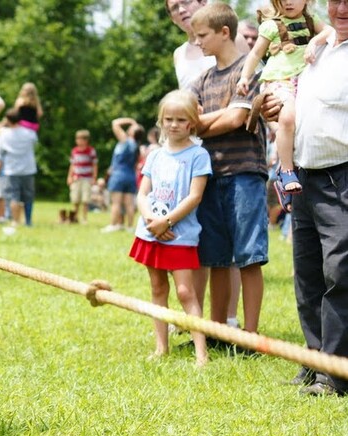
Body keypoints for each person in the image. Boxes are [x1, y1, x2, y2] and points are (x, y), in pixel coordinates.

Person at [190, 3, 269, 334]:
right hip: (212, 176)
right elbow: (186, 121)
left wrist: (202, 122)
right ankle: (218, 329)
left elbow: (239, 118)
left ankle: (250, 334)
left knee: (249, 256)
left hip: (245, 174)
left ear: (225, 33)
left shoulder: (249, 71)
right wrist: (213, 119)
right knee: (216, 258)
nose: (197, 42)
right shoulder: (202, 80)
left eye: (202, 35)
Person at [287, 0, 348, 396]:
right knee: (307, 273)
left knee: (341, 274)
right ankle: (314, 359)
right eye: (336, 0)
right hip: (304, 175)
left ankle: (336, 374)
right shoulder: (321, 47)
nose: (342, 8)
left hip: (342, 174)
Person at [129, 90, 211, 366]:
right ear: (160, 121)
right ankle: (161, 347)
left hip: (179, 234)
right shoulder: (154, 155)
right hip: (151, 231)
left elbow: (195, 196)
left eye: (180, 119)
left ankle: (201, 352)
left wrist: (168, 221)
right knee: (157, 288)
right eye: (168, 119)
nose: (173, 125)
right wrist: (152, 220)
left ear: (191, 122)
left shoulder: (198, 155)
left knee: (186, 292)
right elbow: (142, 193)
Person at [236, 0, 332, 195]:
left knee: (304, 126)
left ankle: (288, 178)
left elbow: (330, 32)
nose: (288, 2)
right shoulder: (272, 25)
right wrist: (244, 77)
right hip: (279, 79)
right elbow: (255, 54)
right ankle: (287, 170)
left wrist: (313, 41)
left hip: (304, 80)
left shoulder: (311, 20)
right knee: (287, 118)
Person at [166, 0, 251, 90]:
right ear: (172, 18)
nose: (181, 10)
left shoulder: (232, 39)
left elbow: (252, 82)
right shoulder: (178, 54)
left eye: (186, 2)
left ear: (203, 2)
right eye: (174, 8)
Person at [0, 108, 37, 227]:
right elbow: (34, 143)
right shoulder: (30, 133)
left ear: (7, 119)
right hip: (28, 168)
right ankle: (28, 221)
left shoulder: (4, 134)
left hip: (11, 170)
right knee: (28, 196)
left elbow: (0, 156)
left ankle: (15, 221)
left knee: (13, 196)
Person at [102, 117, 144, 233]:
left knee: (116, 202)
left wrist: (130, 120)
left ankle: (114, 225)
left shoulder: (125, 140)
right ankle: (130, 227)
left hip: (118, 175)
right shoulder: (137, 146)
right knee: (129, 203)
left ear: (133, 132)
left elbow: (114, 123)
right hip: (131, 176)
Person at [67, 129, 97, 224]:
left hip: (87, 179)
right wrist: (69, 176)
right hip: (76, 178)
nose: (77, 141)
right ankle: (75, 217)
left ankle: (84, 218)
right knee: (75, 199)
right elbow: (72, 165)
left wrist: (94, 177)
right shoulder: (74, 151)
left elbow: (94, 165)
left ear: (86, 140)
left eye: (79, 139)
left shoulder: (91, 151)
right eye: (77, 139)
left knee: (85, 200)